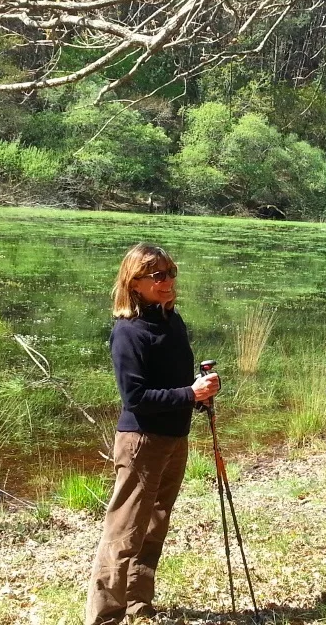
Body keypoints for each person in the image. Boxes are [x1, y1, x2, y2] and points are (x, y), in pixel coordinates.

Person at [86, 243, 220, 625]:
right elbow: (136, 397)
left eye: (171, 273)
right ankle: (105, 616)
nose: (168, 281)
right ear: (135, 282)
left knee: (154, 527)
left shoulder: (171, 322)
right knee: (124, 531)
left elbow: (176, 384)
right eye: (157, 275)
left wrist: (200, 393)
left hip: (175, 438)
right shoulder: (128, 332)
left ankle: (137, 605)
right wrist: (188, 393)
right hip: (141, 440)